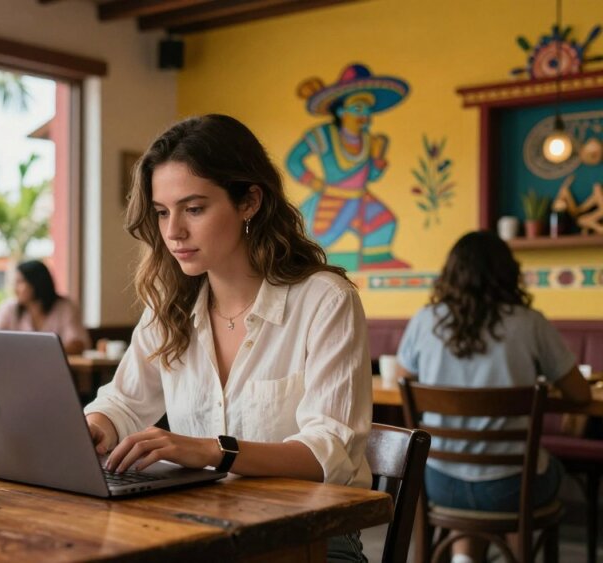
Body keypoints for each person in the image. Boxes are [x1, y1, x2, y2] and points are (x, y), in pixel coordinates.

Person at [83, 114, 372, 562]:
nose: (173, 231)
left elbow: (327, 452)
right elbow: (122, 403)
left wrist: (211, 451)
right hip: (200, 531)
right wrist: (94, 427)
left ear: (249, 202)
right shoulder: (169, 305)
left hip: (307, 538)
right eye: (162, 212)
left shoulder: (325, 301)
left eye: (194, 209)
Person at [396, 231, 591, 562]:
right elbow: (579, 392)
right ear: (508, 273)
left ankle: (464, 557)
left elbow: (402, 379)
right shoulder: (530, 324)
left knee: (474, 482)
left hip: (439, 482)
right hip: (512, 488)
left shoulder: (425, 321)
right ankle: (513, 556)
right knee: (542, 471)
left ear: (451, 273)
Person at [285, 63, 410, 271]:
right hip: (332, 198)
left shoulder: (367, 140)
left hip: (360, 198)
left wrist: (378, 157)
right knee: (316, 241)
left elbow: (372, 176)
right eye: (358, 108)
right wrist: (316, 184)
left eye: (368, 110)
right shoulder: (324, 134)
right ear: (342, 111)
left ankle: (375, 261)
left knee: (385, 222)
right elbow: (293, 161)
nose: (364, 115)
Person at [0, 260, 91, 355]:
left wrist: (36, 353)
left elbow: (78, 344)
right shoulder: (9, 308)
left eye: (20, 282)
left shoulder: (65, 308)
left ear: (36, 283)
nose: (15, 289)